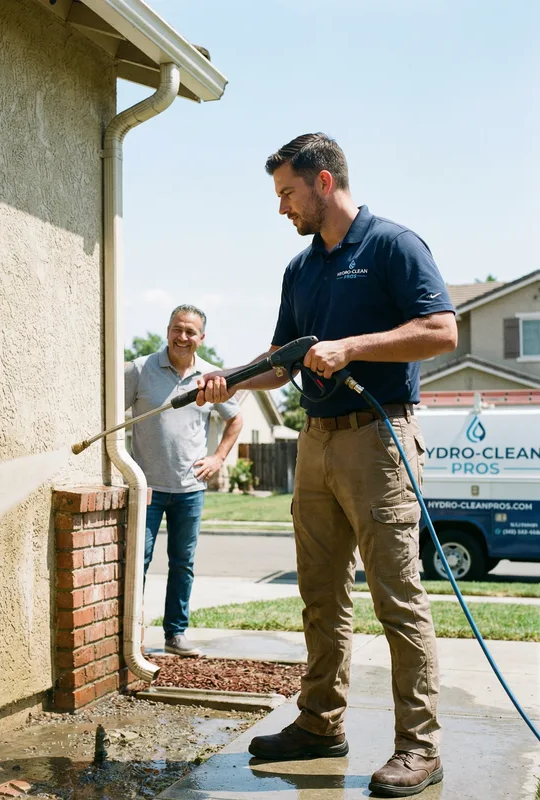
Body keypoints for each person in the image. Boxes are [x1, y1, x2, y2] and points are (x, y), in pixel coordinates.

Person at [197, 134, 457, 798]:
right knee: (320, 595)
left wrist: (354, 348)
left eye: (286, 192)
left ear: (321, 181)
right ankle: (319, 724)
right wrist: (228, 377)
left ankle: (419, 749)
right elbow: (284, 357)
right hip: (315, 441)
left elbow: (442, 330)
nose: (281, 207)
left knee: (397, 600)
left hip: (379, 440)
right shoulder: (300, 269)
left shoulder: (395, 246)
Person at [125, 304, 243, 657]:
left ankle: (176, 635)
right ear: (167, 330)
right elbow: (112, 411)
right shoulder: (141, 369)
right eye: (178, 329)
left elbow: (235, 419)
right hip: (147, 487)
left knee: (182, 563)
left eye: (191, 332)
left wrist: (218, 457)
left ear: (201, 338)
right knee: (138, 561)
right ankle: (130, 634)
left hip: (190, 489)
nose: (183, 337)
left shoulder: (211, 377)